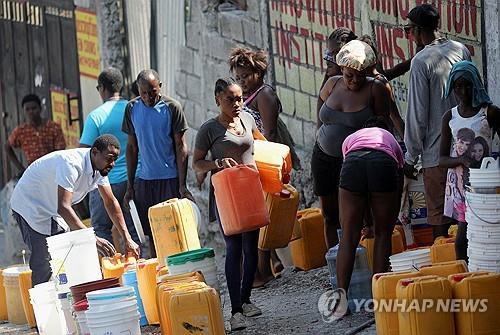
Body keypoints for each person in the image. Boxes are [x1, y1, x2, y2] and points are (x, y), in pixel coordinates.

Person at [10, 135, 140, 286]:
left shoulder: (100, 168)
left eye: (115, 159)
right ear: (95, 152)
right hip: (29, 204)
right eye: (109, 158)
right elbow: (64, 207)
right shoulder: (71, 164)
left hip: (51, 208)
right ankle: (42, 305)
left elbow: (110, 203)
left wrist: (127, 238)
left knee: (66, 254)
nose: (112, 164)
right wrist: (92, 237)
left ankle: (67, 297)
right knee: (43, 261)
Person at [193, 78, 265, 331]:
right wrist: (217, 164)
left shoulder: (247, 119)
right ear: (217, 99)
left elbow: (259, 145)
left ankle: (245, 300)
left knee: (251, 248)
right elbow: (197, 163)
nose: (237, 103)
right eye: (230, 99)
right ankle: (235, 312)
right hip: (227, 195)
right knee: (234, 248)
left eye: (240, 98)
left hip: (250, 190)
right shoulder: (209, 130)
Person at [229, 47, 299, 286]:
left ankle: (263, 271)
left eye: (246, 76)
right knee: (258, 216)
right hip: (252, 161)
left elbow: (269, 133)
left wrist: (263, 165)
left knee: (262, 217)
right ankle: (267, 267)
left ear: (259, 72)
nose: (242, 82)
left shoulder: (265, 95)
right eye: (238, 78)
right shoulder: (247, 96)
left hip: (265, 162)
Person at [313, 40, 392, 248]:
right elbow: (320, 101)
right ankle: (332, 260)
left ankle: (362, 258)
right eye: (349, 75)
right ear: (342, 69)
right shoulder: (332, 83)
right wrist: (318, 128)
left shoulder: (376, 89)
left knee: (357, 216)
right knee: (329, 215)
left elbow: (383, 124)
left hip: (355, 161)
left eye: (360, 75)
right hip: (323, 155)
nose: (355, 81)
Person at [403, 4, 471, 240]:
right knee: (465, 216)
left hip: (436, 154)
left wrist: (410, 157)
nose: (409, 36)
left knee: (441, 221)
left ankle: (447, 268)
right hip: (466, 148)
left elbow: (417, 115)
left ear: (419, 31)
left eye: (409, 31)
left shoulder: (421, 62)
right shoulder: (460, 49)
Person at [122, 69, 192, 256]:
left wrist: (182, 184)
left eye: (152, 91)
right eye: (143, 92)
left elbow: (181, 146)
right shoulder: (131, 109)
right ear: (138, 90)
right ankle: (161, 272)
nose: (147, 97)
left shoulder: (172, 107)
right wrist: (130, 186)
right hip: (145, 181)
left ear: (159, 87)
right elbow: (131, 148)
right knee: (153, 233)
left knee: (175, 229)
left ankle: (181, 270)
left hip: (169, 179)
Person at [336, 117, 403, 300]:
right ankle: (379, 299)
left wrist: (365, 222)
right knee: (383, 234)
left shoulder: (352, 138)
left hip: (353, 162)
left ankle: (340, 299)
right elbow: (398, 180)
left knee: (349, 236)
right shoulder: (390, 139)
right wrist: (388, 220)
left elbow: (357, 185)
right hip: (383, 163)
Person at [439, 60, 500, 261]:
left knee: (488, 233)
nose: (463, 91)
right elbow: (441, 159)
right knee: (463, 237)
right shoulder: (450, 117)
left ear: (476, 85)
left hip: (485, 183)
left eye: (468, 85)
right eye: (458, 86)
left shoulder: (489, 112)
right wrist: (461, 160)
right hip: (461, 184)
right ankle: (463, 274)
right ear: (452, 88)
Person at [80, 67, 140, 247]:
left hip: (105, 182)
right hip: (134, 179)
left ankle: (109, 269)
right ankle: (140, 266)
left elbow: (84, 151)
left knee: (101, 229)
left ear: (103, 88)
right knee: (134, 229)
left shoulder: (96, 116)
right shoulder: (134, 109)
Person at [358, 35, 405, 139]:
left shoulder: (379, 82)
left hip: (379, 139)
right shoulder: (353, 82)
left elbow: (395, 118)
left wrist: (409, 148)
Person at [6, 94, 66, 174]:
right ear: (23, 111)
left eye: (34, 108)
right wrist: (21, 169)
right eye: (27, 109)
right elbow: (7, 147)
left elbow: (60, 151)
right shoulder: (21, 131)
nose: (31, 112)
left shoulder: (53, 127)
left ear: (40, 108)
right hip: (33, 173)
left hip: (53, 171)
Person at [317, 28, 358, 129]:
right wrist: (318, 129)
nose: (334, 56)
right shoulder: (333, 72)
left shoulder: (358, 71)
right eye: (332, 53)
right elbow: (321, 97)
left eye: (336, 52)